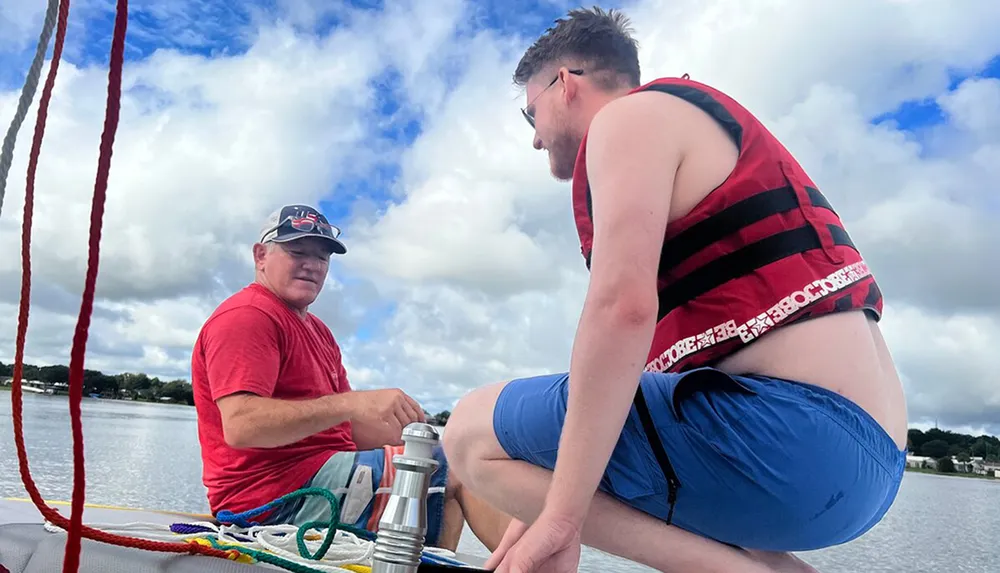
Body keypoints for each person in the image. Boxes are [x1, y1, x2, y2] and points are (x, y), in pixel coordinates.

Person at [443, 7, 909, 573]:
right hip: (866, 468)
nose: (536, 140)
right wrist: (535, 500)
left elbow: (623, 310)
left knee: (468, 433)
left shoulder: (628, 120)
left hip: (798, 437)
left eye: (529, 115)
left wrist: (562, 521)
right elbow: (622, 396)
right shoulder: (686, 130)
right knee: (543, 453)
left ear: (564, 84)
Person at [190, 204, 510, 552]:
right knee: (459, 470)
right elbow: (241, 426)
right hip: (269, 501)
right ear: (260, 255)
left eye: (322, 258)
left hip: (319, 478)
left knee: (446, 457)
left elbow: (341, 430)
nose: (312, 264)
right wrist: (354, 402)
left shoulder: (319, 331)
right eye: (298, 252)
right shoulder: (248, 316)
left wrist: (415, 437)